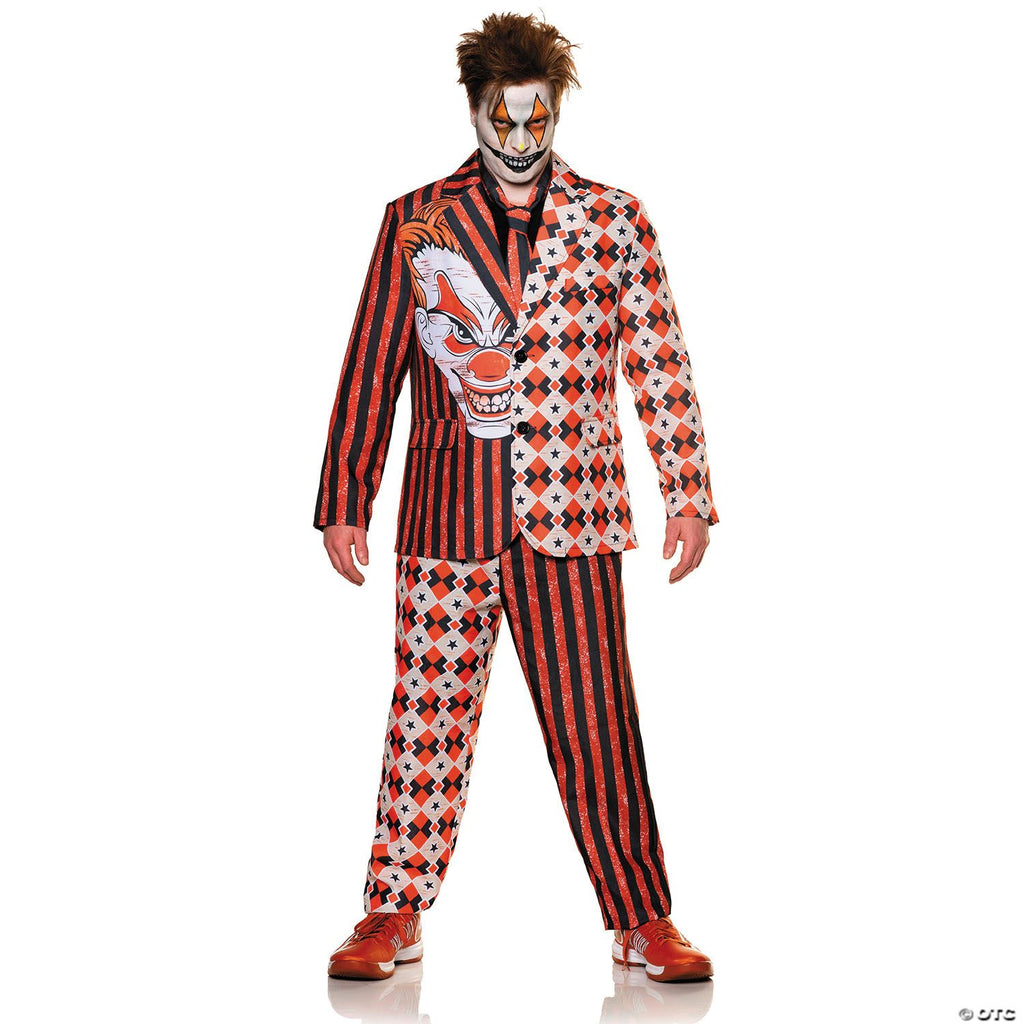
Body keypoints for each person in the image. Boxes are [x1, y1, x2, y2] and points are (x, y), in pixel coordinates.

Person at [315, 12, 719, 984]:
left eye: (538, 118)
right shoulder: (415, 220)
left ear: (557, 112)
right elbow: (374, 362)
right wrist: (345, 497)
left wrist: (686, 491)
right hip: (445, 514)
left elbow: (658, 360)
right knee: (427, 716)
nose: (522, 137)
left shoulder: (615, 220)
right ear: (475, 110)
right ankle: (392, 908)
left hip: (575, 514)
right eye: (505, 118)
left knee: (598, 721)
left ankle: (641, 916)